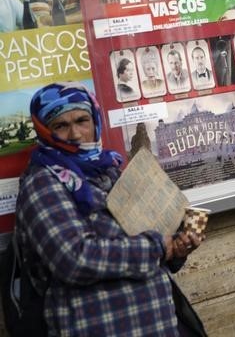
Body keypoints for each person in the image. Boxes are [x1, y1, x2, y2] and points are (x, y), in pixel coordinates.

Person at [14, 82, 203, 335]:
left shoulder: (109, 169)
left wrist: (176, 248)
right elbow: (75, 258)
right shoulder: (42, 182)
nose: (76, 134)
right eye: (60, 125)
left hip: (156, 324)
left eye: (82, 120)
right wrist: (158, 247)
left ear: (95, 121)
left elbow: (147, 238)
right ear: (45, 131)